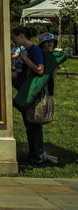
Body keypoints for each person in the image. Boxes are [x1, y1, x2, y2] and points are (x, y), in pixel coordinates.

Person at [12, 29, 65, 168]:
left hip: (33, 95)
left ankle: (37, 159)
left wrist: (25, 58)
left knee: (34, 127)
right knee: (31, 128)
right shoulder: (30, 50)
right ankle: (35, 156)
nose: (13, 41)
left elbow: (39, 69)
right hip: (27, 93)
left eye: (14, 38)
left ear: (21, 36)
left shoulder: (34, 50)